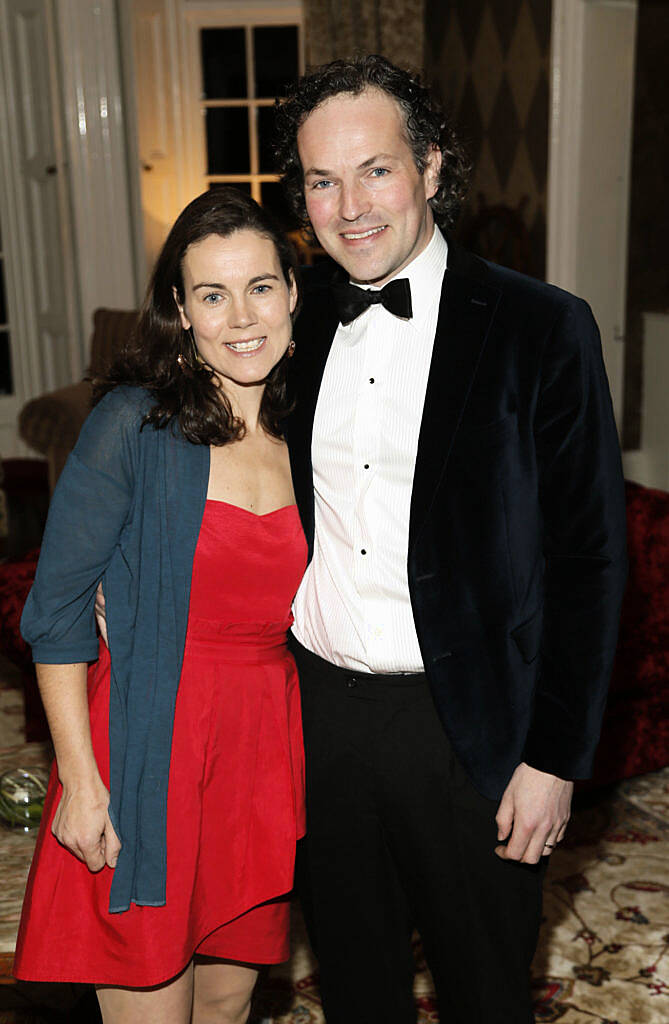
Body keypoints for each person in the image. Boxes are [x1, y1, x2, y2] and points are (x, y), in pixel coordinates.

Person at [273, 55, 628, 1023]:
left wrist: (554, 758)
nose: (349, 205)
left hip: (472, 731)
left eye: (375, 169)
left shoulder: (542, 328)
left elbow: (592, 560)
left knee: (485, 995)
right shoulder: (290, 318)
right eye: (321, 179)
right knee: (356, 990)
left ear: (430, 166)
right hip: (321, 720)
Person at [15, 188, 306, 1024]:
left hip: (259, 754)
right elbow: (58, 611)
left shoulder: (318, 433)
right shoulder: (132, 426)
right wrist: (82, 780)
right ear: (181, 309)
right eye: (212, 294)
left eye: (260, 285)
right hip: (152, 744)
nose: (240, 315)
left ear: (292, 289)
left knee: (225, 1004)